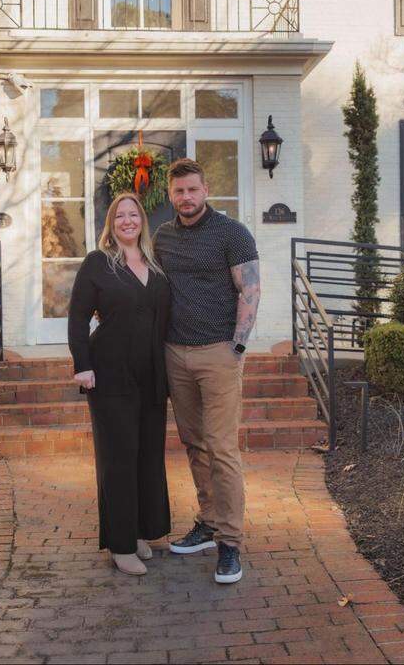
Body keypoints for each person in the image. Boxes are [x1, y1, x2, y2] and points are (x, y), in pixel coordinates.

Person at [154, 159, 261, 584]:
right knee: (194, 443)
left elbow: (250, 288)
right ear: (170, 193)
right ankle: (208, 521)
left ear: (205, 188)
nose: (186, 197)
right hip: (175, 354)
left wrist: (238, 344)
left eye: (193, 190)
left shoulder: (231, 233)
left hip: (218, 352)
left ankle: (230, 543)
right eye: (179, 191)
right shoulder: (162, 237)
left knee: (221, 447)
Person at [67, 192, 173, 576]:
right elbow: (78, 318)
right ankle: (121, 544)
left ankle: (142, 531)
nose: (128, 221)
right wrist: (83, 365)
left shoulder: (155, 264)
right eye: (119, 216)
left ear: (142, 220)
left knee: (147, 454)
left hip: (152, 375)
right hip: (110, 373)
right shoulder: (98, 263)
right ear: (111, 224)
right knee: (119, 457)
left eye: (133, 214)